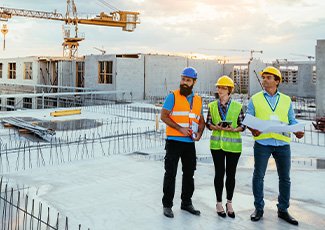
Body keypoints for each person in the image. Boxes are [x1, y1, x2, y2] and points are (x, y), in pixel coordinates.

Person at [247, 66, 304, 225]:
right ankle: (258, 208)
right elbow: (248, 118)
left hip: (283, 144)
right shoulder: (256, 98)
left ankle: (283, 209)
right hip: (262, 143)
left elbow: (292, 120)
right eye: (263, 77)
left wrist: (297, 131)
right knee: (258, 176)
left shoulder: (286, 100)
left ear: (277, 81)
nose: (264, 80)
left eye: (268, 77)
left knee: (285, 178)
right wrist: (253, 129)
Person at [161, 67, 205, 218]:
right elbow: (164, 116)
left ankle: (186, 203)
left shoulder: (198, 100)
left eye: (188, 80)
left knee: (189, 173)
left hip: (189, 143)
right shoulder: (172, 96)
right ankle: (167, 205)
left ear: (194, 82)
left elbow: (201, 120)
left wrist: (199, 133)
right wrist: (180, 128)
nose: (184, 83)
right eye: (183, 79)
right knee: (170, 173)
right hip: (174, 141)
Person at [206, 75, 245, 219]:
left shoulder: (237, 106)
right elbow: (208, 124)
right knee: (219, 174)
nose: (220, 90)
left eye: (223, 87)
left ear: (229, 90)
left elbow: (243, 125)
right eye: (218, 87)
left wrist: (234, 130)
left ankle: (229, 202)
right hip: (217, 145)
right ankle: (218, 203)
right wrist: (214, 126)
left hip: (233, 147)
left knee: (231, 175)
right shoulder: (212, 106)